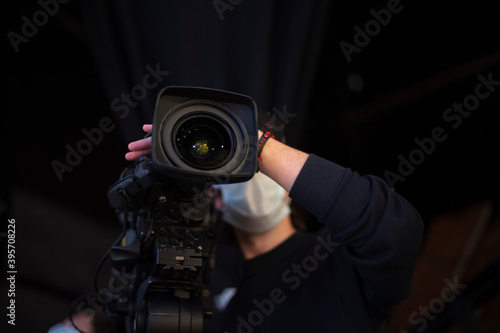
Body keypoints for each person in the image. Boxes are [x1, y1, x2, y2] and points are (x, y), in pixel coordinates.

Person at [50, 124, 423, 332]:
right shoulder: (200, 292)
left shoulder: (335, 264)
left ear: (291, 187)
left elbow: (395, 230)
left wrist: (258, 148)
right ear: (216, 198)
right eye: (234, 172)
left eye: (255, 168)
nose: (250, 177)